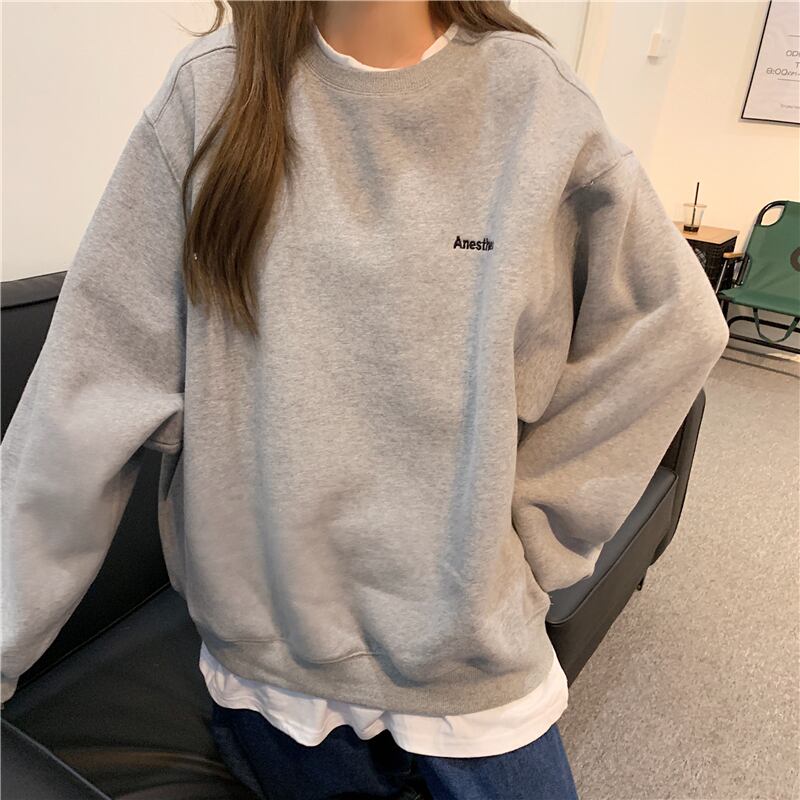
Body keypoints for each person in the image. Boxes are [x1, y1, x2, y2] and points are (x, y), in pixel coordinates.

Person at [0, 2, 730, 799]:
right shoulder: (212, 93)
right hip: (273, 681)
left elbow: (673, 326)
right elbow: (80, 405)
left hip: (470, 676)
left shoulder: (534, 99)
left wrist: (539, 528)